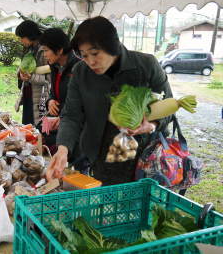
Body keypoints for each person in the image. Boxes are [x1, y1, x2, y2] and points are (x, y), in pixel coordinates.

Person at [46, 16, 173, 186]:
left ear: (111, 45)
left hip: (142, 158)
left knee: (137, 204)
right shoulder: (80, 72)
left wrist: (151, 125)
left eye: (95, 53)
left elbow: (169, 107)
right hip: (100, 155)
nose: (90, 62)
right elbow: (71, 115)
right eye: (84, 55)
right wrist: (63, 149)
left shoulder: (146, 65)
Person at [38, 28, 85, 166]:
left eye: (46, 50)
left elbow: (82, 104)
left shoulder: (79, 67)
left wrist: (64, 117)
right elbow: (54, 91)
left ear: (59, 50)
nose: (45, 55)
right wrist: (50, 100)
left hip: (74, 128)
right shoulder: (54, 66)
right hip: (59, 124)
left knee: (73, 167)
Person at [15, 20, 50, 125]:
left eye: (22, 37)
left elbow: (49, 80)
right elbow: (23, 66)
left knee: (36, 130)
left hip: (40, 99)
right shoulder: (30, 49)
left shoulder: (44, 51)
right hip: (28, 94)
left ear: (29, 35)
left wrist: (31, 77)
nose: (21, 41)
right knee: (27, 127)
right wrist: (20, 73)